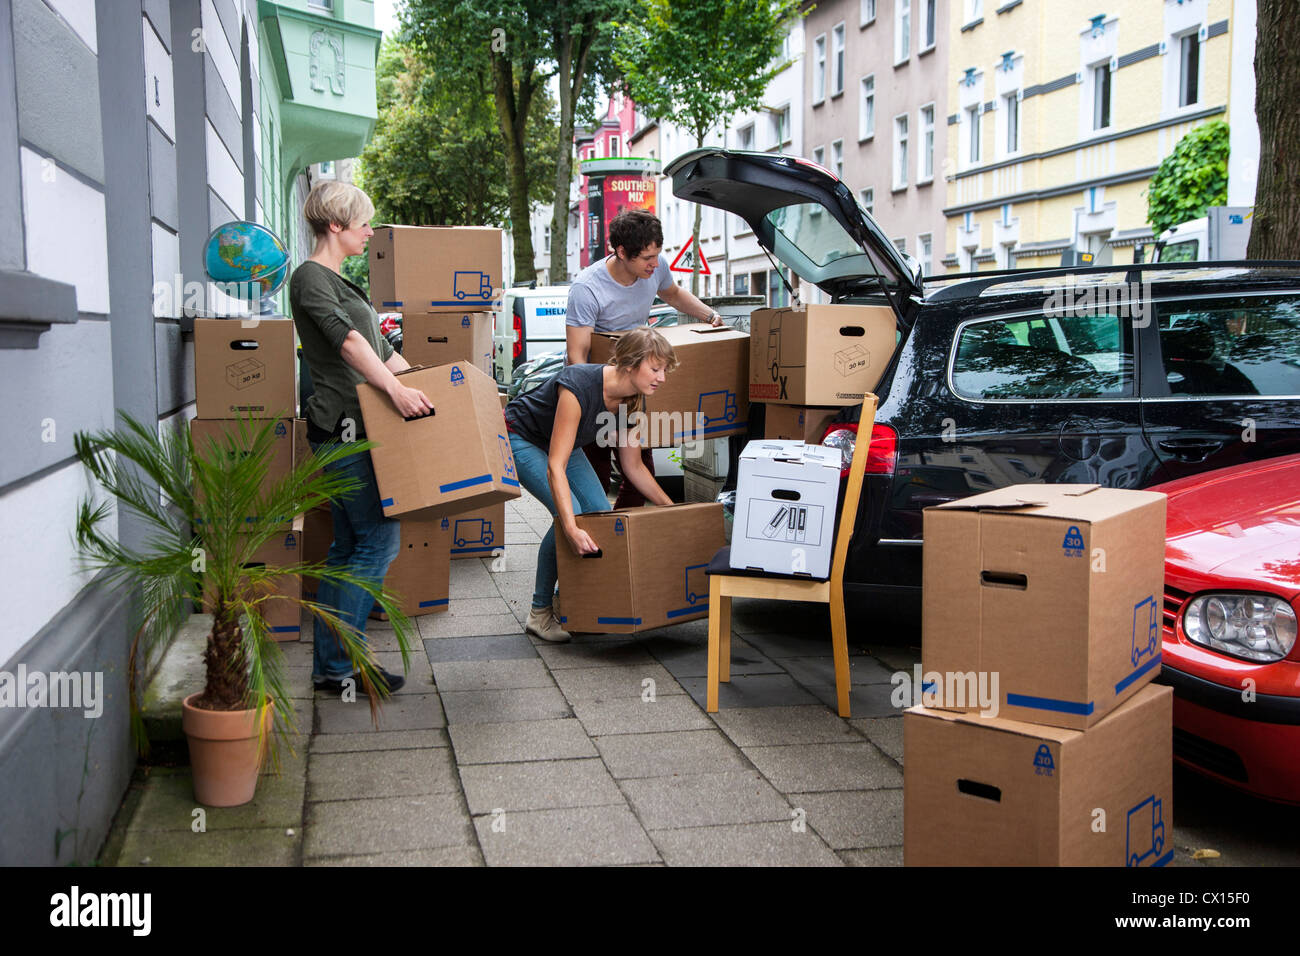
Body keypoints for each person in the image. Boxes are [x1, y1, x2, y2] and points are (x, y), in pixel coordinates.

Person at [290, 181, 433, 695]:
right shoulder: (310, 278)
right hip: (344, 428)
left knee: (350, 544)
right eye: (363, 222)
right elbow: (348, 343)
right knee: (378, 540)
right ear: (335, 225)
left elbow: (377, 345)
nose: (370, 231)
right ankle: (341, 664)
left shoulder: (339, 280)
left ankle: (332, 666)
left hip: (361, 425)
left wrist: (431, 385)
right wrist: (395, 391)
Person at [505, 327, 679, 642]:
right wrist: (570, 528)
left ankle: (568, 598)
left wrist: (672, 510)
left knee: (598, 513)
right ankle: (539, 612)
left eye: (664, 370)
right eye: (655, 369)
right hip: (521, 437)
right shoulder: (579, 387)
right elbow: (555, 467)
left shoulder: (635, 401)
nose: (662, 377)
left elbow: (633, 466)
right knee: (568, 517)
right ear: (630, 364)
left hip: (563, 444)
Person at [565, 210, 722, 508]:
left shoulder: (656, 267)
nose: (655, 263)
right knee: (593, 481)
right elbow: (577, 357)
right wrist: (597, 409)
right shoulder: (587, 288)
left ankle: (621, 537)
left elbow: (673, 293)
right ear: (621, 252)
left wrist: (709, 315)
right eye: (647, 257)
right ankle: (588, 540)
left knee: (640, 475)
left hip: (632, 389)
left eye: (657, 254)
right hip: (592, 394)